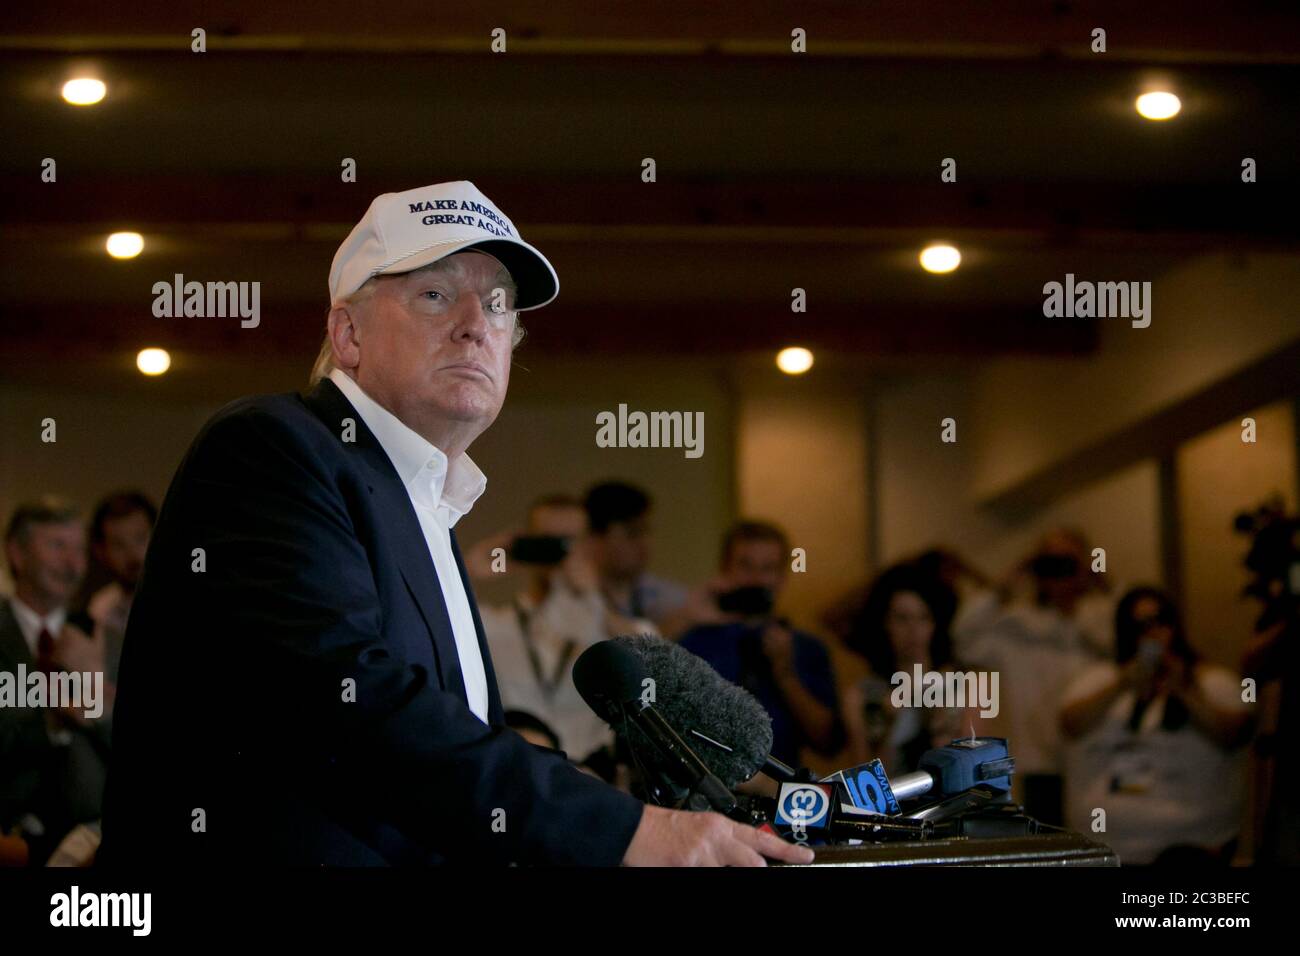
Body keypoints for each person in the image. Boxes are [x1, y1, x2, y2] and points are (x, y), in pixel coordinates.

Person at [99, 181, 810, 868]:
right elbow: (350, 706)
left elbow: (454, 739)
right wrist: (621, 831)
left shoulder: (422, 500)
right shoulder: (272, 449)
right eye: (435, 294)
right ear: (347, 334)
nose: (476, 324)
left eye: (498, 306)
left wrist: (631, 807)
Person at [1059, 587, 1253, 864]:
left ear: (1175, 625)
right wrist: (1124, 682)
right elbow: (1071, 724)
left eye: (1159, 621)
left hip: (1189, 849)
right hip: (1106, 847)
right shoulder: (1101, 678)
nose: (1151, 633)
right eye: (1138, 625)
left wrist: (1184, 693)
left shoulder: (1212, 681)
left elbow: (1234, 735)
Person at [479, 494, 653, 767]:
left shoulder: (610, 626)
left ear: (591, 547)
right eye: (547, 541)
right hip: (520, 773)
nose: (559, 553)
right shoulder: (493, 624)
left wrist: (592, 596)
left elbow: (650, 659)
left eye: (571, 541)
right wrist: (468, 570)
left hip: (595, 777)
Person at [954, 528, 1113, 825]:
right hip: (1035, 765)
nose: (1058, 571)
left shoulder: (1101, 619)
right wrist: (1014, 574)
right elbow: (963, 637)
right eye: (1049, 562)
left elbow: (1123, 646)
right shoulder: (1016, 624)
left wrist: (1093, 579)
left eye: (1066, 562)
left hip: (1095, 763)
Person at [678, 520, 844, 767]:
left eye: (768, 568)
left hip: (780, 789)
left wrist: (785, 674)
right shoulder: (694, 641)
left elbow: (828, 743)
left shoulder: (808, 648)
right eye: (746, 566)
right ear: (725, 569)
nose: (756, 579)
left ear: (782, 577)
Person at [0, 498, 110, 865]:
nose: (73, 564)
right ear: (16, 553)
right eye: (57, 546)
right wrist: (45, 712)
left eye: (79, 550)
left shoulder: (101, 636)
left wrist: (95, 695)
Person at [841, 562, 977, 774]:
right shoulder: (860, 696)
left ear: (935, 624)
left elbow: (972, 771)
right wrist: (888, 727)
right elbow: (864, 786)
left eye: (923, 618)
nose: (913, 630)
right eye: (902, 619)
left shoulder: (964, 686)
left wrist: (939, 725)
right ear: (885, 624)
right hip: (893, 802)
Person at [582, 481, 691, 636]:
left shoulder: (669, 599)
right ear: (596, 539)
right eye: (632, 534)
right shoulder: (575, 599)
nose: (644, 543)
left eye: (646, 532)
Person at [85, 491, 156, 690]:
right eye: (119, 545)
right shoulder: (99, 608)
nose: (133, 555)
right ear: (101, 551)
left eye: (141, 539)